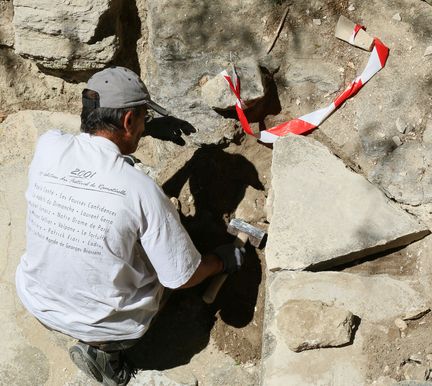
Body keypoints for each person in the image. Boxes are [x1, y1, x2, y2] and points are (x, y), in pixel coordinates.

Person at [15, 66, 244, 386]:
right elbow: (182, 277)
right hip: (109, 329)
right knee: (160, 270)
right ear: (127, 121)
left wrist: (145, 130)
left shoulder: (48, 146)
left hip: (37, 301)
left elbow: (97, 144)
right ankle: (106, 357)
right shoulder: (141, 190)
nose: (144, 126)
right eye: (142, 119)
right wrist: (220, 261)